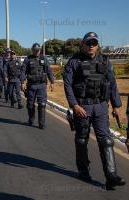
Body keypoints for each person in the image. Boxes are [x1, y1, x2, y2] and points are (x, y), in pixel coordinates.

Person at [63, 32, 125, 189]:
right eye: (88, 42)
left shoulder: (105, 60)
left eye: (94, 43)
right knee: (82, 139)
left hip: (101, 107)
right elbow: (68, 84)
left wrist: (116, 106)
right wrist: (74, 105)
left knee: (106, 140)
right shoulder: (74, 61)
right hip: (82, 107)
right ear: (83, 44)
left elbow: (112, 84)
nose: (91, 45)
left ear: (98, 45)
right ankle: (83, 171)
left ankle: (111, 175)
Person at [22, 43, 54, 129]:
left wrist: (52, 82)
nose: (37, 51)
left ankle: (41, 123)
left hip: (42, 85)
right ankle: (31, 119)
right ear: (32, 50)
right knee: (30, 104)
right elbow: (23, 71)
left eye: (38, 50)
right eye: (36, 50)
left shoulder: (44, 59)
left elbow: (49, 70)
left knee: (42, 104)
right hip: (31, 86)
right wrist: (22, 82)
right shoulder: (28, 59)